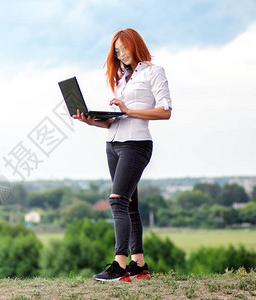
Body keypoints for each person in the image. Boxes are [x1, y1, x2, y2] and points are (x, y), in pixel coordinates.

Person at [73, 28, 172, 282]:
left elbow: (165, 110)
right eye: (117, 52)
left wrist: (128, 109)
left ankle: (120, 265)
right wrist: (91, 121)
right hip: (114, 143)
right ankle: (139, 266)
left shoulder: (153, 72)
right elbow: (116, 122)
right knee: (130, 205)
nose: (121, 55)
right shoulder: (120, 79)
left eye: (124, 49)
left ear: (135, 45)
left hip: (136, 144)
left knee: (117, 201)